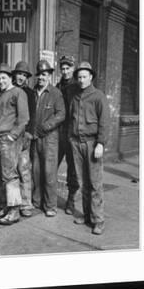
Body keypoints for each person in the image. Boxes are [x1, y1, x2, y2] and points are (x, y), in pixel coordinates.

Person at [68, 61, 109, 235]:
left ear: (91, 77)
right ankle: (86, 215)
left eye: (85, 76)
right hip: (77, 143)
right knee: (82, 181)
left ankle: (98, 220)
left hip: (93, 143)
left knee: (95, 183)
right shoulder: (75, 96)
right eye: (79, 77)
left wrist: (100, 143)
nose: (82, 80)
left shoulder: (98, 96)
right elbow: (71, 118)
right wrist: (71, 139)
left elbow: (105, 122)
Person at [0, 64, 29, 225]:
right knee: (0, 175)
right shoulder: (1, 96)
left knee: (10, 175)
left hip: (9, 138)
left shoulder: (18, 93)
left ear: (10, 78)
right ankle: (4, 207)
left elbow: (24, 118)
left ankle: (14, 211)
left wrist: (13, 136)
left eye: (3, 78)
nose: (0, 81)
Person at [31, 60, 65, 217]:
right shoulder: (33, 92)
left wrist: (47, 125)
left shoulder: (55, 93)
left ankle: (51, 205)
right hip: (35, 137)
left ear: (49, 75)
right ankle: (38, 201)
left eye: (44, 74)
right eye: (38, 74)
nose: (41, 77)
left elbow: (61, 114)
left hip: (50, 138)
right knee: (36, 171)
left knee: (49, 172)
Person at [11, 61, 36, 218]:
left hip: (23, 135)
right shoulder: (9, 89)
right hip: (10, 135)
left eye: (24, 75)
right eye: (19, 74)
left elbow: (32, 115)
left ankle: (26, 203)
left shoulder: (29, 93)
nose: (21, 77)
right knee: (10, 171)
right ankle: (13, 202)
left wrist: (29, 133)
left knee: (24, 170)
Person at [56, 55, 79, 215]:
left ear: (73, 68)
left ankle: (70, 200)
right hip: (58, 132)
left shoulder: (78, 87)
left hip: (72, 133)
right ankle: (47, 196)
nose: (65, 71)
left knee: (73, 169)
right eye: (62, 68)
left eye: (68, 68)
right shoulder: (57, 87)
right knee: (51, 165)